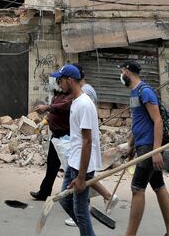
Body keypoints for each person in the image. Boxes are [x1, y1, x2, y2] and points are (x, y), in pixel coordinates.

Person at [121, 61, 169, 236]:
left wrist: (156, 151)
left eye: (122, 71)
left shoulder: (145, 91)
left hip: (149, 147)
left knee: (137, 188)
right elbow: (138, 122)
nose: (121, 75)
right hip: (141, 145)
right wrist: (131, 145)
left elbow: (158, 121)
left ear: (128, 72)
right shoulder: (134, 92)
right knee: (159, 186)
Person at [54, 64, 102, 236]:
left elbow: (87, 141)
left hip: (82, 165)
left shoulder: (84, 104)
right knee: (65, 200)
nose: (59, 84)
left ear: (70, 80)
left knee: (81, 211)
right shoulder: (75, 101)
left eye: (61, 80)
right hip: (73, 160)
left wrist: (82, 176)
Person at [30, 77, 73, 201]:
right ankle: (44, 192)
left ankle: (73, 196)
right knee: (52, 166)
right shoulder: (58, 95)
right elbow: (53, 112)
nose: (57, 83)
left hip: (66, 137)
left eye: (59, 81)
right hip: (56, 137)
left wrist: (47, 107)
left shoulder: (70, 96)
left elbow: (61, 107)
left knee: (70, 168)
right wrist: (44, 122)